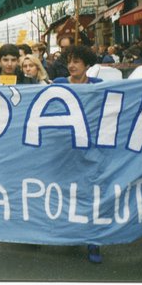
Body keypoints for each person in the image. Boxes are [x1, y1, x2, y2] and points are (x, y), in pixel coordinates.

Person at [51, 44, 103, 263]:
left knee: (91, 193)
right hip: (65, 150)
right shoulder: (59, 84)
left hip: (90, 149)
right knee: (67, 192)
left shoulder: (99, 85)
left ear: (86, 64)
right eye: (69, 61)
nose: (71, 65)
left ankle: (94, 243)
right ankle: (72, 232)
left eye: (76, 61)